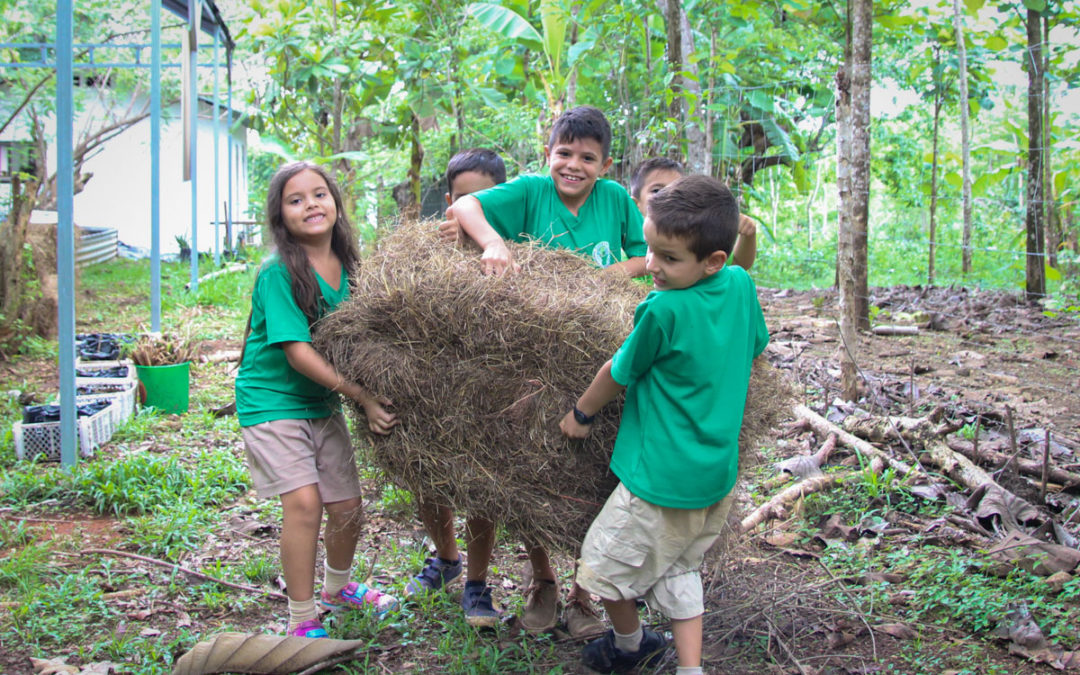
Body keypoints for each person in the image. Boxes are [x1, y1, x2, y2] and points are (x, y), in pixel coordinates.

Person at [559, 174, 769, 675]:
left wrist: (581, 414)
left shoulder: (662, 308)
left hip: (658, 480)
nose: (651, 266)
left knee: (602, 569)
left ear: (711, 260)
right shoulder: (739, 285)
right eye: (650, 250)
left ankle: (629, 646)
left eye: (668, 258)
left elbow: (618, 370)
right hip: (714, 478)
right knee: (681, 567)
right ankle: (690, 670)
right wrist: (748, 240)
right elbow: (743, 291)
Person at [449, 105, 643, 636]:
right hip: (534, 358)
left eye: (587, 157)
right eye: (564, 153)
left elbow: (648, 257)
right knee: (531, 463)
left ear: (605, 164)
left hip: (598, 356)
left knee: (589, 469)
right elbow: (466, 204)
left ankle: (583, 593)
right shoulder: (533, 192)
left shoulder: (616, 201)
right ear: (547, 154)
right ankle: (543, 580)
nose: (573, 165)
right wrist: (493, 241)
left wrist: (613, 273)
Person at [235, 161, 400, 638]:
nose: (310, 204)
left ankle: (337, 588)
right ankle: (301, 618)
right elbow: (298, 353)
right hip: (273, 400)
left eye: (319, 194)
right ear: (280, 217)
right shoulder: (278, 273)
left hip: (320, 403)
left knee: (347, 505)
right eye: (295, 199)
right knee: (305, 504)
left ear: (335, 202)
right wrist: (362, 396)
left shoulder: (350, 266)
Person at [404, 149, 507, 632]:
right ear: (449, 201)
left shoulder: (509, 249)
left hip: (487, 387)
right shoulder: (425, 251)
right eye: (464, 200)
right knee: (428, 474)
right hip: (434, 385)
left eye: (483, 201)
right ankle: (446, 559)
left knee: (482, 483)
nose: (470, 210)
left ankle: (478, 581)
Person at [628, 157, 759, 271]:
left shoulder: (694, 234)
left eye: (677, 189)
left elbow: (737, 264)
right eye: (657, 190)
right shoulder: (624, 245)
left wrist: (748, 236)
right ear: (635, 204)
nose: (668, 197)